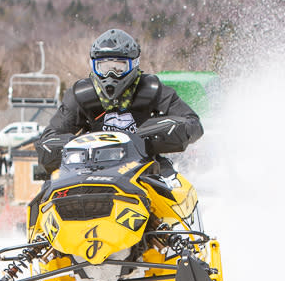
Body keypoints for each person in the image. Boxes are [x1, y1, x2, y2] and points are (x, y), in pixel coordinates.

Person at [35, 28, 203, 175]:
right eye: (104, 67)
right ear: (94, 66)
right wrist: (75, 146)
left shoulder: (151, 89)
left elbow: (193, 123)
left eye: (119, 67)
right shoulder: (81, 95)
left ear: (134, 64)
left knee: (176, 189)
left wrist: (155, 137)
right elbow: (49, 139)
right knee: (49, 192)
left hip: (145, 167)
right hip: (90, 170)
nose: (111, 75)